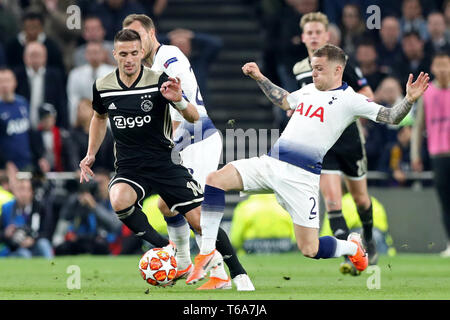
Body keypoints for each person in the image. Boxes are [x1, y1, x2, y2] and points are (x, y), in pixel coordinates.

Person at [186, 43, 429, 285]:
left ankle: (351, 247)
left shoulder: (350, 100)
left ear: (337, 70)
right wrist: (260, 77)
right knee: (215, 180)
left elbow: (391, 116)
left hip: (301, 179)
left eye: (320, 68)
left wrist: (408, 99)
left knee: (310, 249)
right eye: (313, 68)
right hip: (272, 163)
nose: (314, 73)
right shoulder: (309, 90)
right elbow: (284, 100)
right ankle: (207, 252)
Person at [122, 14, 253, 291]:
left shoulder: (170, 57)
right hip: (181, 144)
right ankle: (184, 262)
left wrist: (164, 143)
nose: (135, 43)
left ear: (151, 33)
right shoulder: (144, 71)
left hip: (197, 139)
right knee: (166, 205)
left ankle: (233, 275)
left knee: (196, 213)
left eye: (138, 35)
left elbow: (186, 105)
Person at [79, 29, 207, 285]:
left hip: (164, 162)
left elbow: (194, 117)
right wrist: (90, 154)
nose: (129, 59)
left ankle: (233, 271)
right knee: (118, 199)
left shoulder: (160, 79)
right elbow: (99, 117)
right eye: (123, 54)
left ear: (142, 54)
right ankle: (166, 248)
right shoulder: (103, 86)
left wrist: (180, 100)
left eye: (134, 53)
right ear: (114, 54)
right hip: (130, 166)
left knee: (201, 222)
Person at [291, 12, 379, 274]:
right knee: (331, 200)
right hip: (321, 142)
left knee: (361, 198)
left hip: (349, 139)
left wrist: (345, 105)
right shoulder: (298, 69)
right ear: (303, 37)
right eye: (310, 32)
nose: (314, 36)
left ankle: (369, 239)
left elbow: (367, 93)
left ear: (326, 35)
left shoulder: (342, 63)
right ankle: (349, 254)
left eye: (319, 32)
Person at [411, 52, 450, 257]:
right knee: (445, 201)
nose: (443, 69)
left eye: (446, 65)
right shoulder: (427, 92)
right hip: (438, 154)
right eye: (439, 65)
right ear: (433, 68)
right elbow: (418, 127)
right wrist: (415, 154)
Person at [0, 177, 53, 258]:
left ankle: (52, 268)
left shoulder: (40, 207)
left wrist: (33, 240)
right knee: (24, 255)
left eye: (25, 189)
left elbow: (47, 231)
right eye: (19, 189)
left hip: (35, 244)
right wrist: (6, 234)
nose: (22, 194)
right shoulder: (7, 208)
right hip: (15, 248)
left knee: (44, 244)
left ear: (31, 192)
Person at [67, 41, 115, 126]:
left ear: (103, 54)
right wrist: (74, 121)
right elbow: (73, 100)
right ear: (86, 55)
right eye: (90, 53)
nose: (93, 56)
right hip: (84, 121)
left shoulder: (114, 73)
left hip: (108, 121)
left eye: (96, 52)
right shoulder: (75, 74)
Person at [230, 194, 296, 255]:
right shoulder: (286, 206)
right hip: (284, 250)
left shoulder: (244, 207)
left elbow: (236, 239)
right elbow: (296, 236)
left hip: (251, 252)